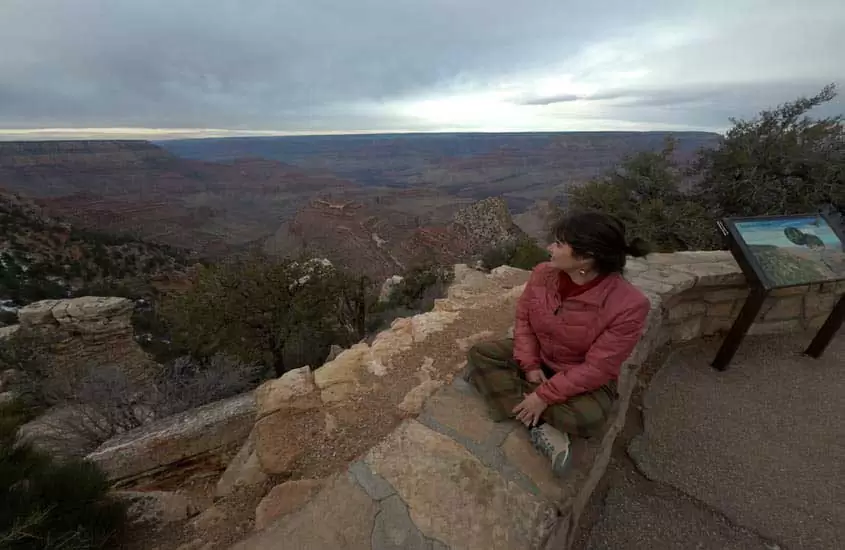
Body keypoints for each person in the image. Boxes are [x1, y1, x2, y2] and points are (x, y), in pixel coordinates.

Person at [466, 211, 651, 477]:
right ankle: (539, 422)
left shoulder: (628, 304)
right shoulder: (543, 274)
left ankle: (512, 400)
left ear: (585, 257)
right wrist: (529, 364)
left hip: (578, 371)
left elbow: (597, 369)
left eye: (559, 244)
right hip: (542, 356)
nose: (549, 248)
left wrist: (543, 395)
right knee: (480, 353)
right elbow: (524, 320)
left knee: (590, 418)